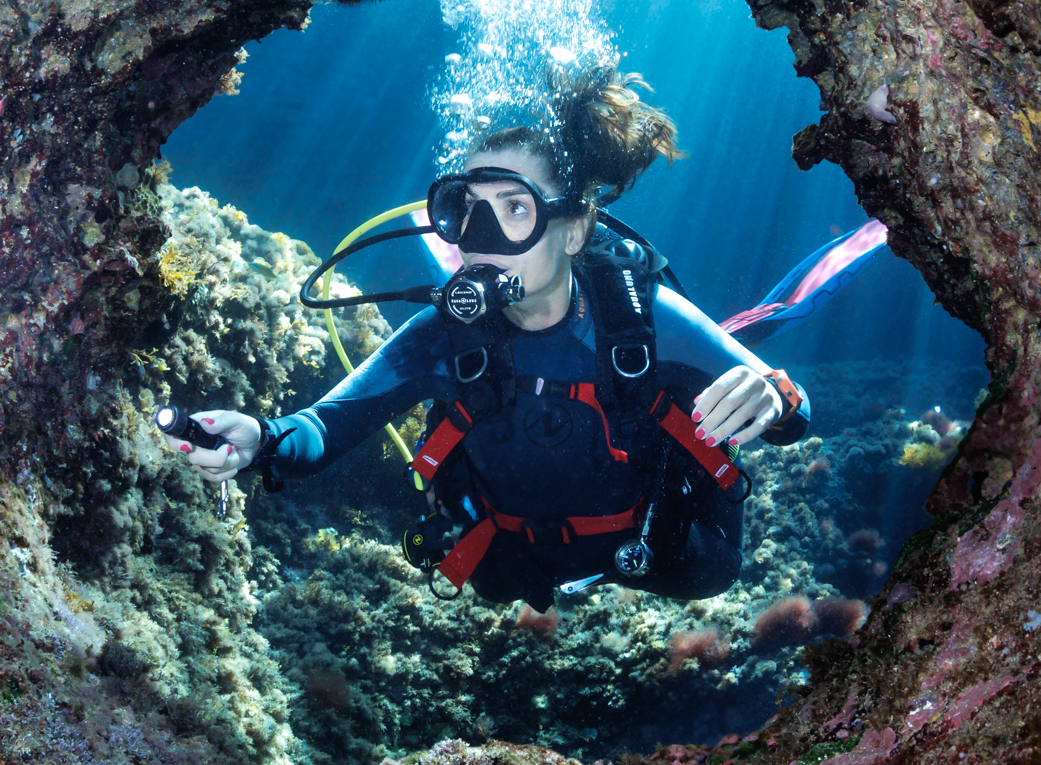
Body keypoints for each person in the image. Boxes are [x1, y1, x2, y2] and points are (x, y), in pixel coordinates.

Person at [173, 64, 810, 612]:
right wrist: (260, 440)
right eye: (467, 209)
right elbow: (323, 427)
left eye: (514, 209)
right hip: (511, 561)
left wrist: (772, 398)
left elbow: (794, 408)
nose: (480, 238)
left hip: (652, 550)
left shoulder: (643, 320)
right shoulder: (444, 337)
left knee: (709, 568)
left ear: (573, 231)